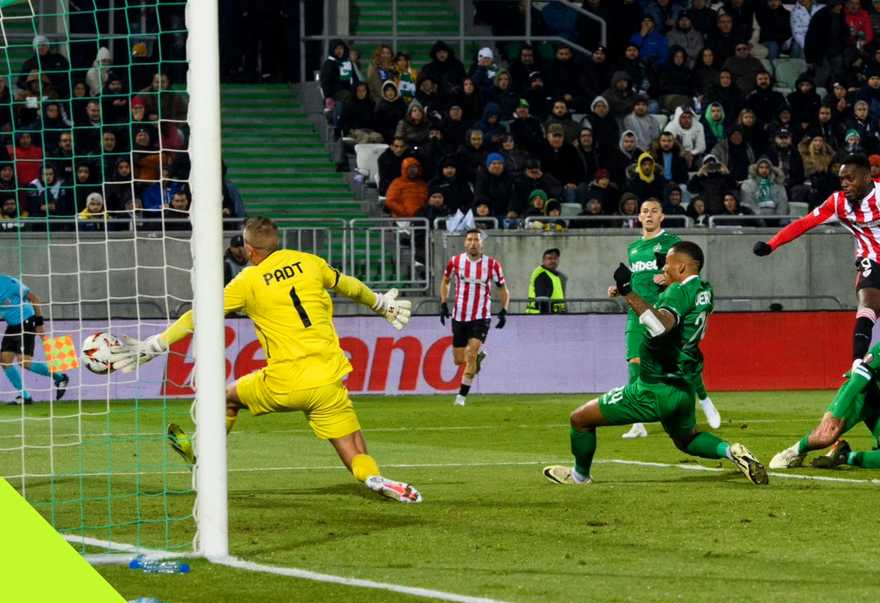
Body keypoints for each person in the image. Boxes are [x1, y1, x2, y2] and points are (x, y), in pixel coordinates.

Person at [108, 218, 419, 501]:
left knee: (227, 399)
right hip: (329, 379)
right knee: (354, 447)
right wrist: (380, 303)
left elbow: (199, 314)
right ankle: (374, 478)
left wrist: (156, 344)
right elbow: (348, 285)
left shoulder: (248, 280)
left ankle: (203, 457)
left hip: (284, 382)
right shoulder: (308, 262)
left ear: (248, 247)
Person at [544, 241, 767, 486]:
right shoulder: (704, 289)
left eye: (667, 263)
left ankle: (579, 476)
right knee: (686, 439)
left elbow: (660, 326)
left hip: (653, 388)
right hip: (683, 387)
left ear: (682, 267)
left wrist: (628, 290)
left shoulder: (677, 292)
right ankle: (732, 451)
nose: (662, 268)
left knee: (580, 419)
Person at [753, 154, 880, 366]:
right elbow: (804, 223)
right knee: (867, 307)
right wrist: (771, 244)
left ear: (867, 177)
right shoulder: (838, 202)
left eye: (850, 178)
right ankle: (857, 366)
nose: (845, 184)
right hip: (872, 263)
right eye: (842, 180)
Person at [609, 199, 721, 439]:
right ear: (639, 217)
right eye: (645, 211)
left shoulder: (671, 243)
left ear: (662, 216)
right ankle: (637, 422)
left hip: (665, 311)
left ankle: (704, 400)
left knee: (682, 361)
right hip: (636, 311)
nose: (649, 215)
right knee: (635, 362)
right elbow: (637, 278)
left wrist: (667, 278)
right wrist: (619, 289)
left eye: (654, 211)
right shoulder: (634, 248)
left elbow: (686, 273)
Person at [769, 319, 880, 472]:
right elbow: (856, 384)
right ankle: (794, 452)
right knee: (825, 436)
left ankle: (845, 456)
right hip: (861, 396)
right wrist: (835, 416)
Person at [440, 229, 509, 407]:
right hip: (459, 316)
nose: (473, 243)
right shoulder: (455, 262)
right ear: (465, 243)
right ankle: (477, 360)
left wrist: (504, 309)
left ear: (481, 243)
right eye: (469, 239)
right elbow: (445, 282)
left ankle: (461, 398)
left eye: (476, 240)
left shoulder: (492, 265)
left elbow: (502, 288)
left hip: (481, 316)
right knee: (458, 360)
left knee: (470, 354)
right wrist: (443, 303)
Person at [0, 275, 68, 404]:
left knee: (24, 362)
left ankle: (60, 377)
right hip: (12, 325)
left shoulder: (8, 283)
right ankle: (25, 397)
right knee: (4, 360)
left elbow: (34, 298)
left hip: (27, 320)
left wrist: (39, 323)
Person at [526, 248, 566, 314]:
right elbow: (542, 301)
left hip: (553, 317)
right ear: (543, 261)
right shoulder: (543, 276)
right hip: (542, 318)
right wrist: (547, 319)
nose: (553, 261)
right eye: (549, 258)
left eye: (555, 258)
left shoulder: (553, 275)